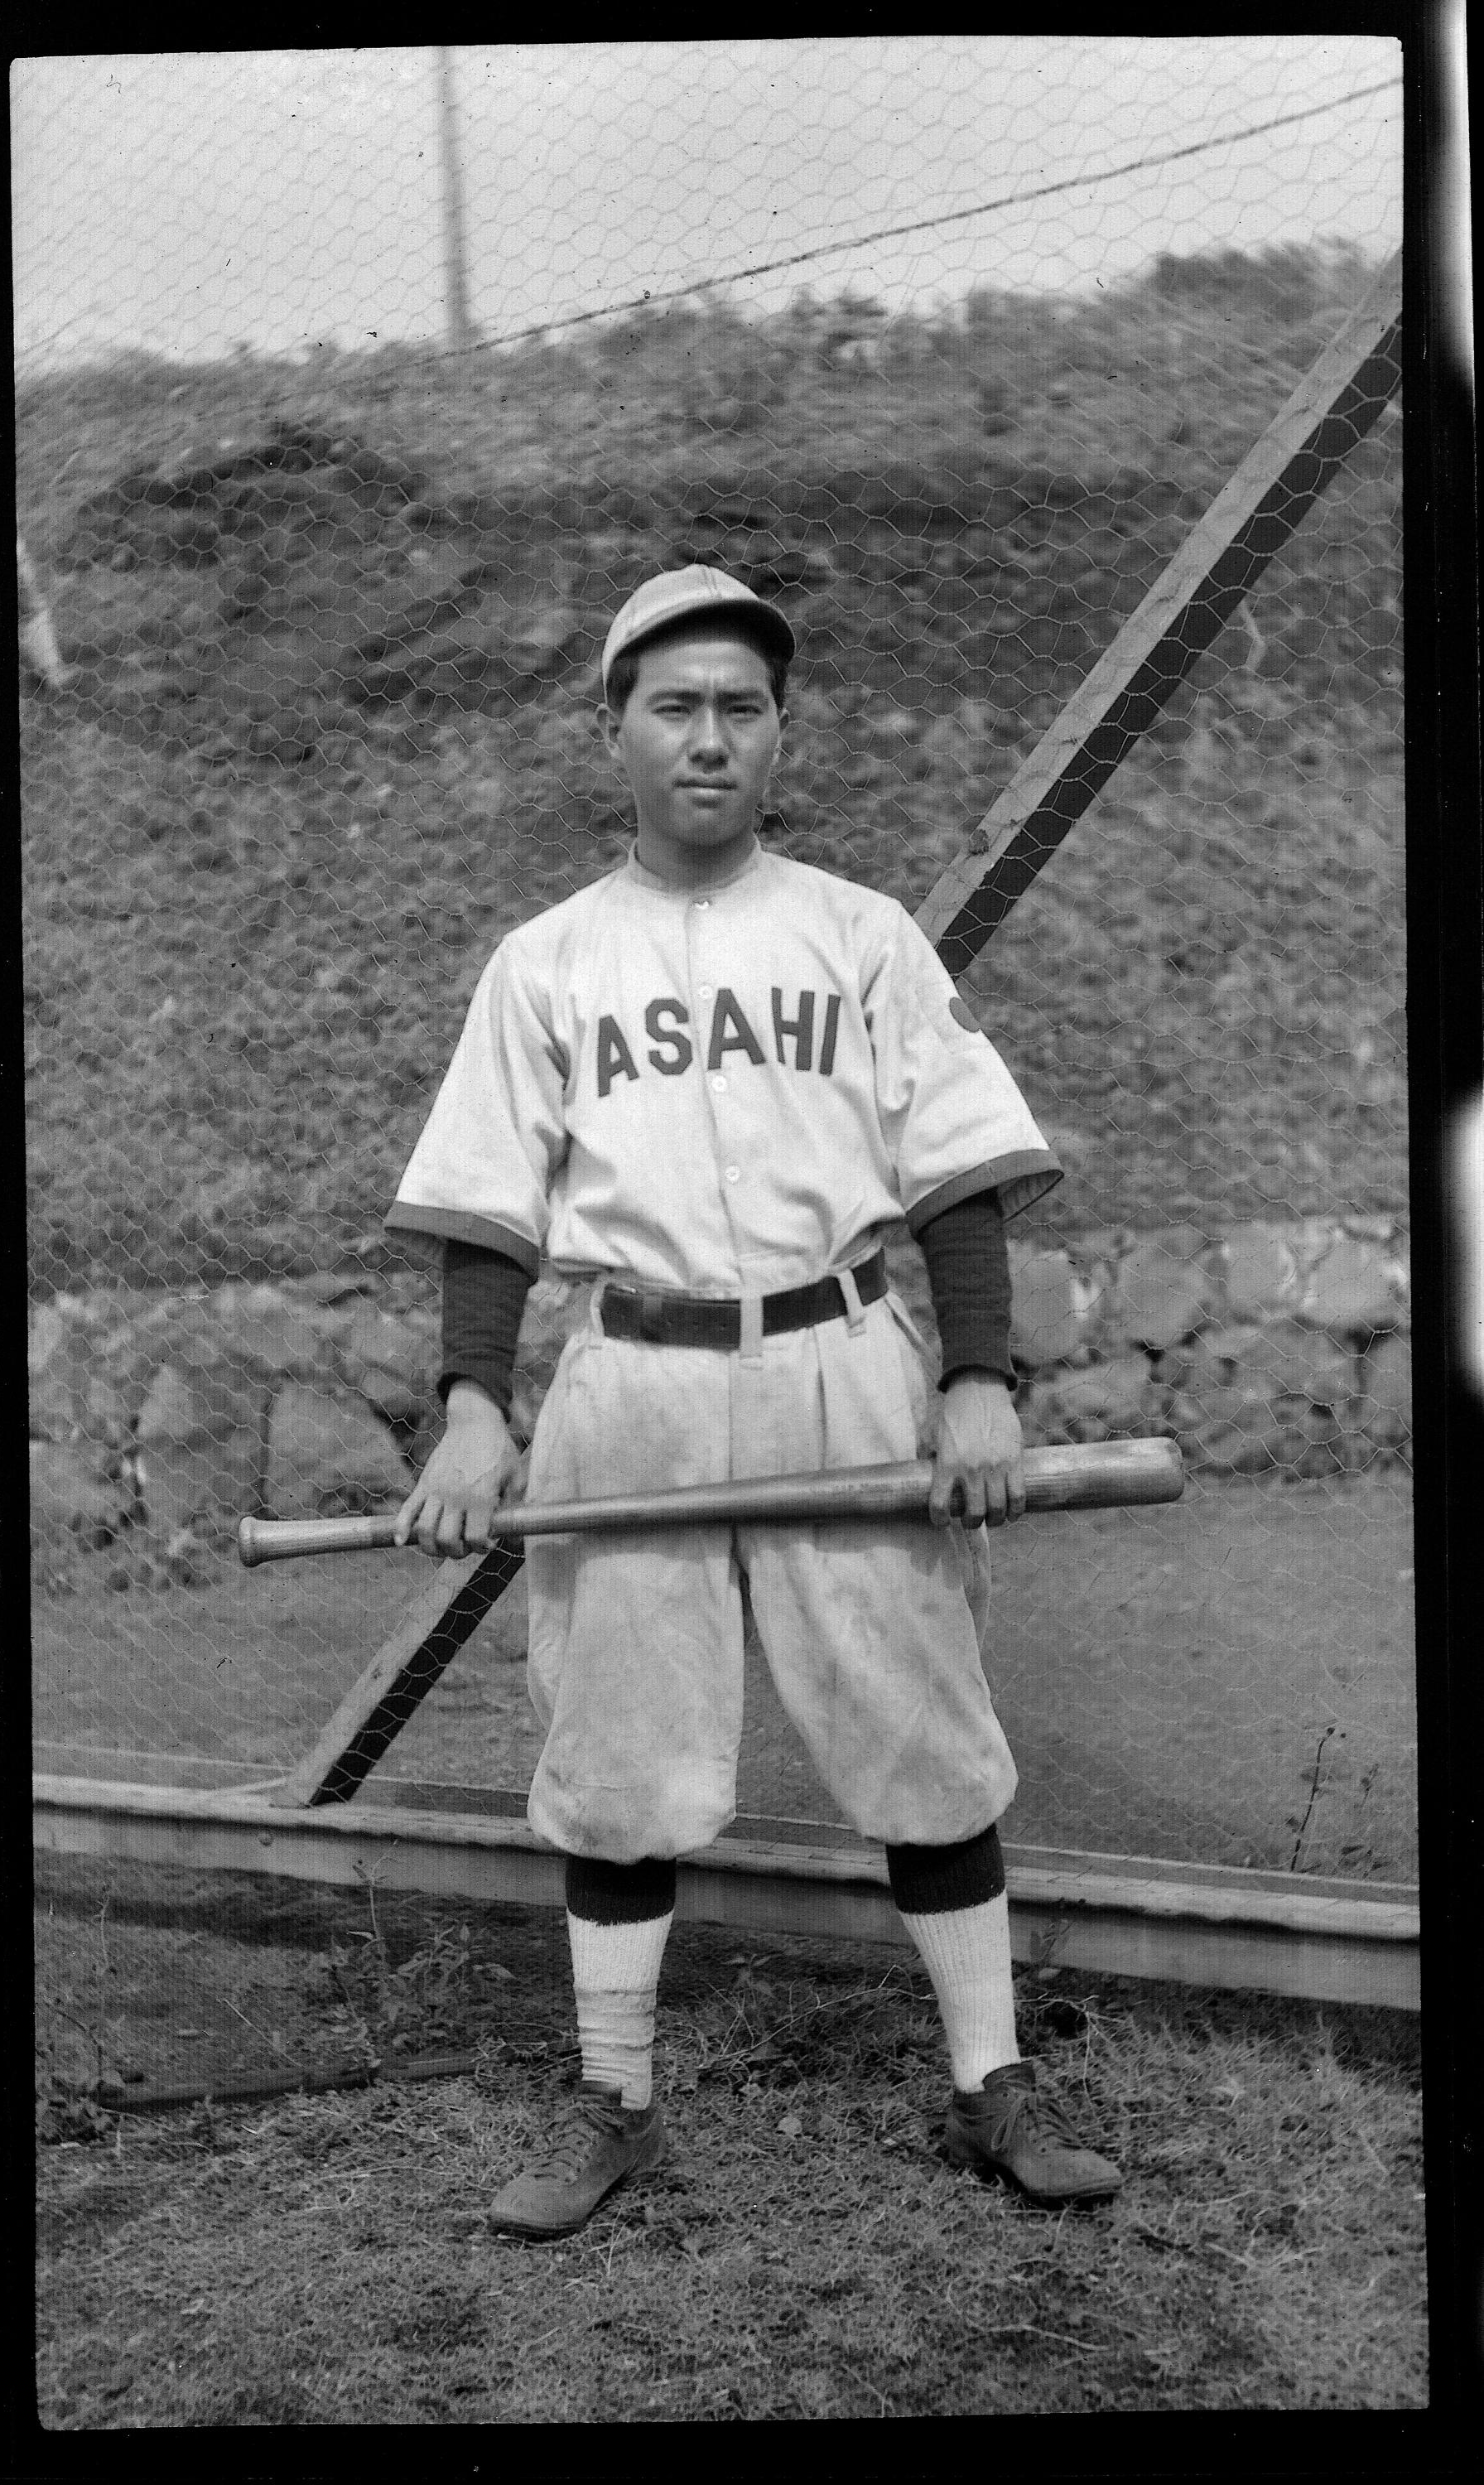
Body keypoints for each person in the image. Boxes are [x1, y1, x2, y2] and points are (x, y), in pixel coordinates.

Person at [385, 565, 1122, 2238]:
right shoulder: (546, 961)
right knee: (622, 1746)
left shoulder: (860, 934)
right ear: (617, 734)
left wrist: (981, 1382)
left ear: (779, 738)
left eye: (741, 707)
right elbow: (494, 1208)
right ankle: (612, 2100)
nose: (709, 738)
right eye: (675, 706)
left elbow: (953, 1177)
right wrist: (475, 1408)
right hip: (630, 1374)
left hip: (837, 1360)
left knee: (921, 1723)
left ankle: (991, 2081)